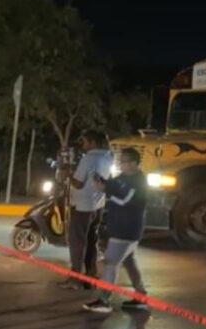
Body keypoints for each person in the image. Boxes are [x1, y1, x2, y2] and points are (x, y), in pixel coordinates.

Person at [84, 147, 148, 313]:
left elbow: (125, 200)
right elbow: (112, 185)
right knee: (129, 262)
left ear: (134, 163)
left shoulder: (138, 182)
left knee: (111, 263)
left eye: (124, 161)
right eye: (120, 161)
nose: (121, 165)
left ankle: (104, 301)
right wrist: (101, 183)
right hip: (123, 228)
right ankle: (141, 296)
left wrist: (105, 191)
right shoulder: (123, 177)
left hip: (126, 229)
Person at [62, 130, 114, 290]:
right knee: (92, 240)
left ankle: (75, 279)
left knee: (77, 242)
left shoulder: (89, 158)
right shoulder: (108, 157)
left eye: (84, 142)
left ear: (92, 142)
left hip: (82, 206)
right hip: (97, 204)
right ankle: (91, 274)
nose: (83, 146)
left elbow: (78, 183)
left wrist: (67, 174)